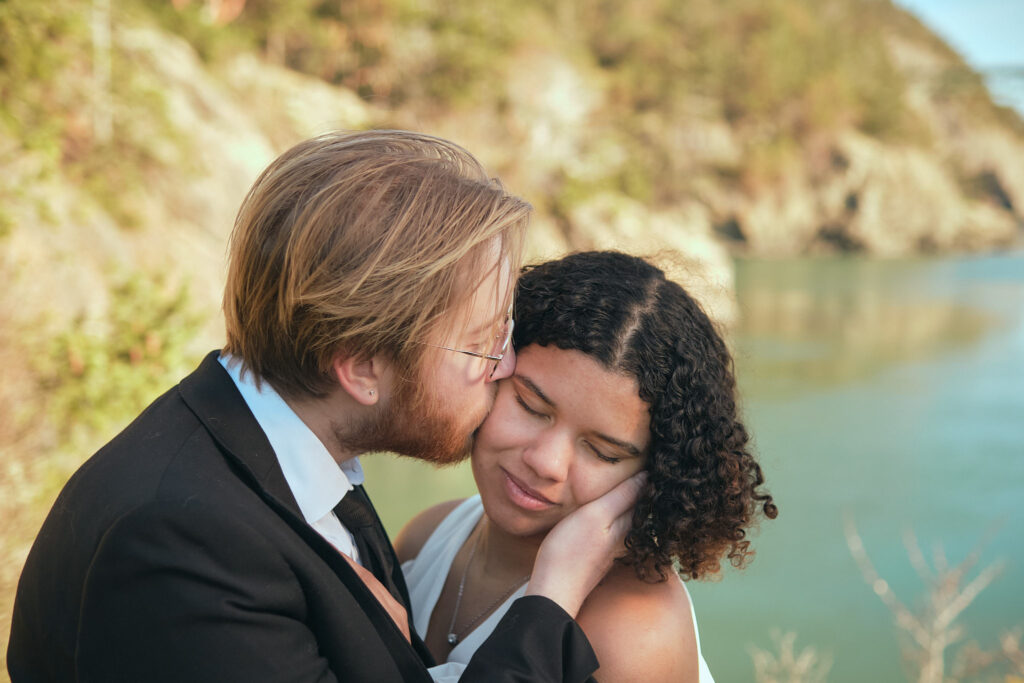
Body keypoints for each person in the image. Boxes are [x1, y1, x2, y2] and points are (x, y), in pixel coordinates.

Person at [7, 131, 641, 682]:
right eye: (480, 345)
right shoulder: (185, 547)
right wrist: (550, 602)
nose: (503, 368)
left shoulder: (291, 469)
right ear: (362, 367)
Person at [397, 251, 779, 682]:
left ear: (659, 476)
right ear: (493, 368)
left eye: (603, 452)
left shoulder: (631, 632)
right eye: (530, 405)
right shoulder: (425, 537)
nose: (546, 462)